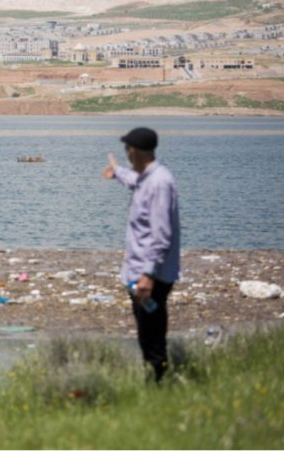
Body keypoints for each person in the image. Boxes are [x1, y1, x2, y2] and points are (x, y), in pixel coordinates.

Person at [102, 127, 180, 382]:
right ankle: (156, 380)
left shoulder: (159, 183)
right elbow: (133, 181)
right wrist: (116, 172)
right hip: (142, 272)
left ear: (133, 151)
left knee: (152, 334)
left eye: (127, 150)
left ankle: (159, 385)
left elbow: (161, 235)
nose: (127, 154)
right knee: (146, 332)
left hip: (151, 276)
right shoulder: (147, 178)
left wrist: (148, 275)